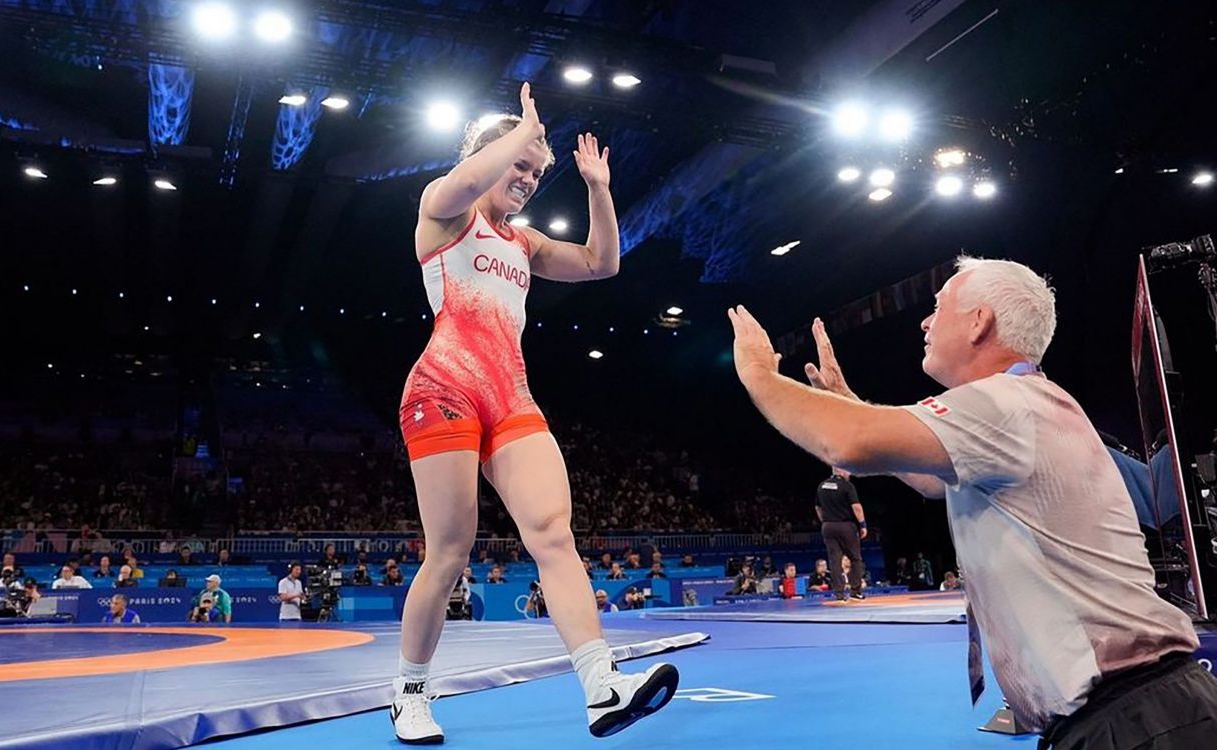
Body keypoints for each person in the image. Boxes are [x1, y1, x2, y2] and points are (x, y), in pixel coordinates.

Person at [728, 256, 1216, 747]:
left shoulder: (1006, 403)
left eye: (938, 307)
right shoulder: (1028, 405)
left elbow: (849, 444)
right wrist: (848, 401)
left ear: (980, 321)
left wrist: (757, 374)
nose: (923, 320)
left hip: (1137, 720)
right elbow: (921, 476)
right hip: (1138, 712)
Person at [388, 83, 677, 744]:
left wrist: (597, 188)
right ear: (486, 155)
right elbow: (462, 182)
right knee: (450, 552)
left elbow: (603, 264)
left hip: (510, 395)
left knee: (553, 533)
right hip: (444, 389)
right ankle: (408, 693)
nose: (529, 178)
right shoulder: (443, 212)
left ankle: (603, 687)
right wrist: (523, 133)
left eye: (537, 173)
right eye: (520, 165)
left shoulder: (525, 244)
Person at [815, 468, 867, 602]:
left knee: (835, 561)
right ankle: (855, 591)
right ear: (841, 471)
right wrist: (862, 525)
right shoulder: (846, 485)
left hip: (828, 526)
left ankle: (839, 594)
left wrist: (825, 521)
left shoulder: (822, 485)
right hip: (845, 526)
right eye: (848, 471)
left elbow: (817, 508)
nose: (849, 474)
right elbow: (856, 507)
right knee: (855, 558)